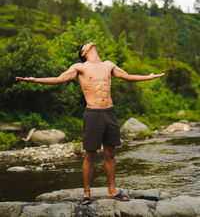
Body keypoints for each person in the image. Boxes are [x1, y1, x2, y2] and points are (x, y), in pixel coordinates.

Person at [16, 41, 165, 205]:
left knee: (110, 153)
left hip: (110, 112)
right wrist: (35, 80)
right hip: (93, 113)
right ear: (84, 52)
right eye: (86, 44)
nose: (90, 43)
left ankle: (112, 191)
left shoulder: (108, 65)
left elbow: (129, 77)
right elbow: (59, 79)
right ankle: (86, 193)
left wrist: (149, 77)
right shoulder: (80, 67)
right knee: (90, 154)